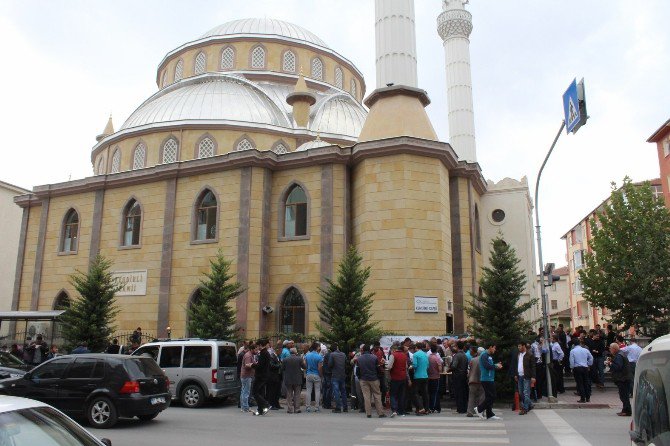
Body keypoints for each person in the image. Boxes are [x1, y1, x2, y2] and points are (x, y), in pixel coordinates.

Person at [474, 341, 503, 421]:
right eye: (494, 348)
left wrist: (496, 365)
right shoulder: (484, 355)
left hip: (490, 378)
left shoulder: (488, 356)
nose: (495, 349)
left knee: (489, 396)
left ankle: (489, 414)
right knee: (492, 396)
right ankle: (479, 409)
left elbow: (490, 365)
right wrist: (495, 365)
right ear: (490, 347)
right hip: (486, 379)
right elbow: (487, 366)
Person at [357, 344, 386, 418]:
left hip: (363, 379)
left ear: (363, 350)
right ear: (370, 350)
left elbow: (358, 370)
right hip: (374, 379)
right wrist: (378, 377)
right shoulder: (374, 357)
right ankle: (380, 413)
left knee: (366, 396)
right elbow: (377, 369)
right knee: (377, 395)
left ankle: (368, 413)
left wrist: (360, 377)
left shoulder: (359, 358)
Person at [607, 343, 631, 416]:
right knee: (624, 395)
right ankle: (625, 410)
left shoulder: (619, 356)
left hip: (622, 378)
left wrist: (610, 364)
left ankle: (627, 411)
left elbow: (618, 367)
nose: (610, 350)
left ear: (614, 349)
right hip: (624, 378)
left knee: (624, 395)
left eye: (610, 349)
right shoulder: (620, 354)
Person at [513, 341, 536, 415]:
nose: (518, 348)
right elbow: (517, 365)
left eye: (520, 346)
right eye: (518, 346)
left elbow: (533, 366)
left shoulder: (530, 354)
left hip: (527, 376)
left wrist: (533, 376)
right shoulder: (519, 354)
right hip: (520, 376)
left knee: (526, 393)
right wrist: (516, 374)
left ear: (524, 346)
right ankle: (531, 404)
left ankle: (525, 409)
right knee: (520, 393)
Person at [386, 343, 408, 417]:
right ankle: (401, 412)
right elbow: (406, 366)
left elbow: (389, 367)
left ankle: (394, 410)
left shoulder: (393, 355)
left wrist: (386, 365)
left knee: (393, 394)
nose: (391, 352)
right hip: (403, 377)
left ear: (394, 349)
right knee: (401, 395)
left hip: (395, 377)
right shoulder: (404, 355)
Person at [569, 338, 593, 403]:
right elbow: (591, 358)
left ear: (574, 344)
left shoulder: (573, 351)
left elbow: (571, 361)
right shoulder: (585, 350)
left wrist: (572, 367)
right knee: (586, 382)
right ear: (579, 343)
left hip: (577, 368)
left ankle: (582, 398)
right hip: (585, 367)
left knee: (580, 383)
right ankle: (588, 398)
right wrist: (589, 364)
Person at [282, 347, 304, 414]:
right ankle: (297, 409)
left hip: (288, 379)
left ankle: (290, 409)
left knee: (289, 394)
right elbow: (304, 367)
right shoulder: (300, 359)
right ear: (295, 352)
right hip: (297, 379)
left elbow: (282, 368)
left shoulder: (285, 359)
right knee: (297, 394)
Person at [252, 339, 271, 416]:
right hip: (264, 375)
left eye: (258, 346)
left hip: (260, 376)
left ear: (260, 345)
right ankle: (260, 410)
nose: (257, 347)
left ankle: (266, 404)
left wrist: (252, 365)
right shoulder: (265, 353)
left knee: (255, 392)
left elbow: (260, 366)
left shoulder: (263, 353)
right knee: (260, 393)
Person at [411, 342, 430, 416]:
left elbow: (415, 365)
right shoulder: (425, 354)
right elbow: (428, 366)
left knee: (415, 393)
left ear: (416, 348)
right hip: (425, 376)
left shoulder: (415, 354)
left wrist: (411, 367)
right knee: (425, 393)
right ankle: (427, 409)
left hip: (418, 376)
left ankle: (421, 408)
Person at [329, 343, 348, 413]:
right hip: (342, 375)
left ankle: (338, 408)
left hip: (335, 375)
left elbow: (330, 364)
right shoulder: (343, 354)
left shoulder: (332, 355)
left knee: (336, 391)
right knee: (343, 391)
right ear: (337, 348)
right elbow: (346, 363)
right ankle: (345, 407)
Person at [449, 341, 467, 414]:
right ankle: (464, 408)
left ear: (457, 346)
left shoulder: (457, 355)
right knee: (463, 392)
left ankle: (460, 408)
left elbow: (454, 366)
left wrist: (449, 369)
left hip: (457, 376)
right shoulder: (464, 355)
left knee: (458, 392)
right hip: (463, 375)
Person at [304, 341, 323, 412]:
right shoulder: (319, 356)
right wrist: (320, 375)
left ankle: (308, 407)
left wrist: (306, 373)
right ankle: (316, 407)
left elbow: (305, 365)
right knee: (317, 391)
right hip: (316, 374)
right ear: (317, 347)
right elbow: (320, 367)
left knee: (308, 391)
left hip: (309, 374)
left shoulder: (307, 355)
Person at [467, 347, 485, 417]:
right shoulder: (484, 360)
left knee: (471, 397)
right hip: (481, 380)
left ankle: (470, 412)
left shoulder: (472, 360)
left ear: (477, 352)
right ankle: (480, 411)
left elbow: (469, 370)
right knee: (482, 397)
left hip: (472, 380)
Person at [240, 343, 256, 413]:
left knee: (243, 391)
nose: (257, 350)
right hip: (247, 376)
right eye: (256, 349)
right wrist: (254, 365)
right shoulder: (248, 355)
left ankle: (243, 407)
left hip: (246, 376)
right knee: (246, 392)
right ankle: (245, 408)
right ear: (252, 349)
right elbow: (247, 365)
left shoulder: (250, 355)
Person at [266, 343, 282, 410]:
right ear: (277, 350)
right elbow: (271, 365)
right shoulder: (272, 356)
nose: (281, 352)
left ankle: (276, 404)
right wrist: (279, 365)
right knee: (272, 391)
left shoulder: (277, 356)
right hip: (272, 377)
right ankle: (271, 404)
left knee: (277, 391)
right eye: (280, 351)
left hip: (277, 377)